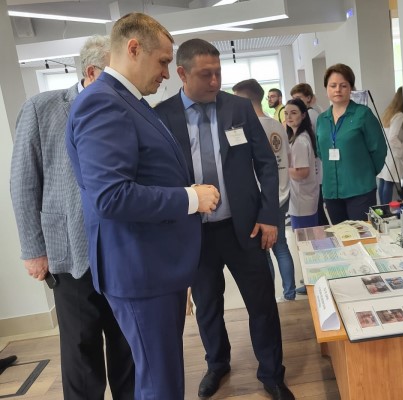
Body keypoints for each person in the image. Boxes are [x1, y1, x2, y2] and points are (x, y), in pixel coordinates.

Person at [65, 14, 220, 400]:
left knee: (160, 376)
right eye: (163, 61)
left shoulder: (127, 101)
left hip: (153, 267)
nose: (167, 74)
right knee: (159, 383)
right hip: (140, 270)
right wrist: (190, 198)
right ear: (133, 48)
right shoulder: (102, 103)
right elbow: (111, 196)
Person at [154, 38, 295, 400]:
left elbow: (266, 164)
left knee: (262, 303)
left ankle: (272, 373)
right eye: (206, 75)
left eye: (218, 73)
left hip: (244, 227)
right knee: (207, 305)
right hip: (195, 233)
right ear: (182, 73)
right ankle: (217, 364)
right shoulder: (162, 116)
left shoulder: (238, 108)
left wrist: (269, 216)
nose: (215, 81)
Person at [10, 35, 135, 400]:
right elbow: (23, 182)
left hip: (121, 252)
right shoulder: (42, 108)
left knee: (126, 346)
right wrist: (33, 250)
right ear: (92, 72)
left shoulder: (128, 109)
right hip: (69, 253)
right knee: (81, 351)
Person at [232, 78, 296, 302]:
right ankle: (290, 293)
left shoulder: (249, 127)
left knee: (264, 249)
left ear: (245, 101)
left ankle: (270, 297)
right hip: (283, 193)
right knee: (281, 246)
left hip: (263, 198)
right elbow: (286, 158)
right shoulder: (278, 125)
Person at [315, 63, 387, 224]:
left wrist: (366, 173)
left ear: (350, 88)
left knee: (363, 235)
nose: (337, 90)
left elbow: (379, 149)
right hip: (331, 191)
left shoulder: (363, 114)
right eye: (333, 85)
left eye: (343, 85)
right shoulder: (322, 119)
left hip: (360, 189)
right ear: (326, 88)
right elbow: (320, 151)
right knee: (341, 235)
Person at [290, 82, 328, 227]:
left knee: (316, 215)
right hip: (313, 170)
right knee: (317, 212)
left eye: (298, 98)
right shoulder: (315, 111)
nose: (296, 101)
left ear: (308, 98)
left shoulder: (311, 115)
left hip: (313, 170)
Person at [284, 98, 320, 229]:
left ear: (303, 115)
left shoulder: (300, 141)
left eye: (293, 113)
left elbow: (302, 173)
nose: (289, 117)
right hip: (303, 198)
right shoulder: (299, 137)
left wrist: (281, 169)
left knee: (304, 238)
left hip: (302, 200)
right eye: (286, 113)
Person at [377, 86, 403, 204]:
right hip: (393, 154)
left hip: (385, 153)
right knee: (388, 183)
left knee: (383, 181)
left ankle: (382, 208)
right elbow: (392, 137)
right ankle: (386, 210)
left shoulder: (389, 113)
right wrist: (401, 149)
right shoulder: (399, 115)